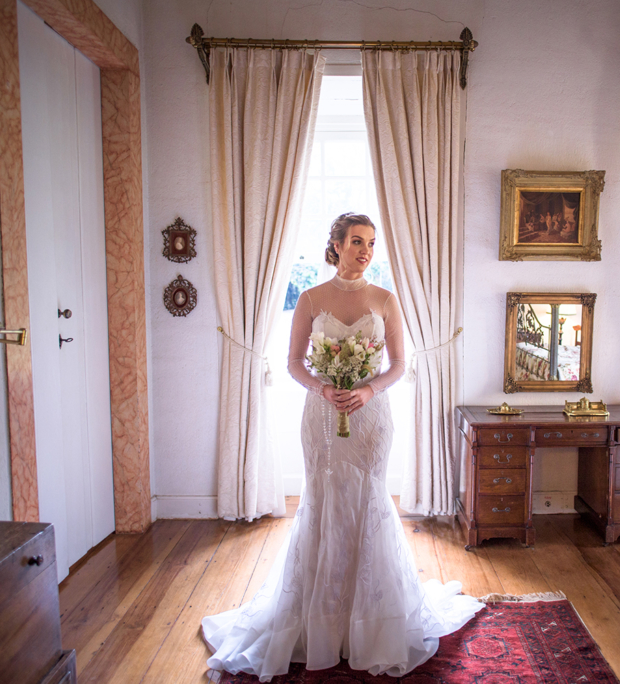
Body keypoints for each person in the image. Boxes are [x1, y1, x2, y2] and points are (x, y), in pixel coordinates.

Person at [201, 213, 483, 681]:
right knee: (324, 499)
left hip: (371, 418)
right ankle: (322, 619)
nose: (365, 250)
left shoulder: (386, 300)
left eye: (371, 243)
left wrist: (369, 391)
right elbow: (293, 363)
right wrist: (322, 390)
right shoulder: (311, 299)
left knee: (369, 501)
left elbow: (397, 365)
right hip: (323, 418)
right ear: (335, 245)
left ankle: (372, 617)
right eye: (356, 241)